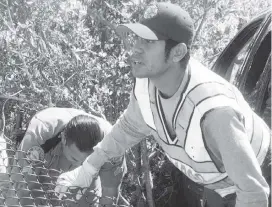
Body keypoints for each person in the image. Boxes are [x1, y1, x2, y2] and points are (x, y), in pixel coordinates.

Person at [55, 2, 271, 207]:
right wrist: (88, 168)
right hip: (218, 182)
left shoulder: (214, 113)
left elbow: (253, 192)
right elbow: (128, 128)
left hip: (258, 175)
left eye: (148, 42)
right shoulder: (146, 85)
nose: (135, 50)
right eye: (136, 38)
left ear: (178, 52)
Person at [6, 107, 127, 207]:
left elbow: (109, 194)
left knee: (88, 201)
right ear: (63, 138)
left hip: (93, 171)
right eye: (75, 159)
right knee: (34, 196)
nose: (79, 164)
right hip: (49, 154)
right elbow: (21, 186)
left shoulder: (112, 149)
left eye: (85, 161)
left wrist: (88, 167)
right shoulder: (41, 132)